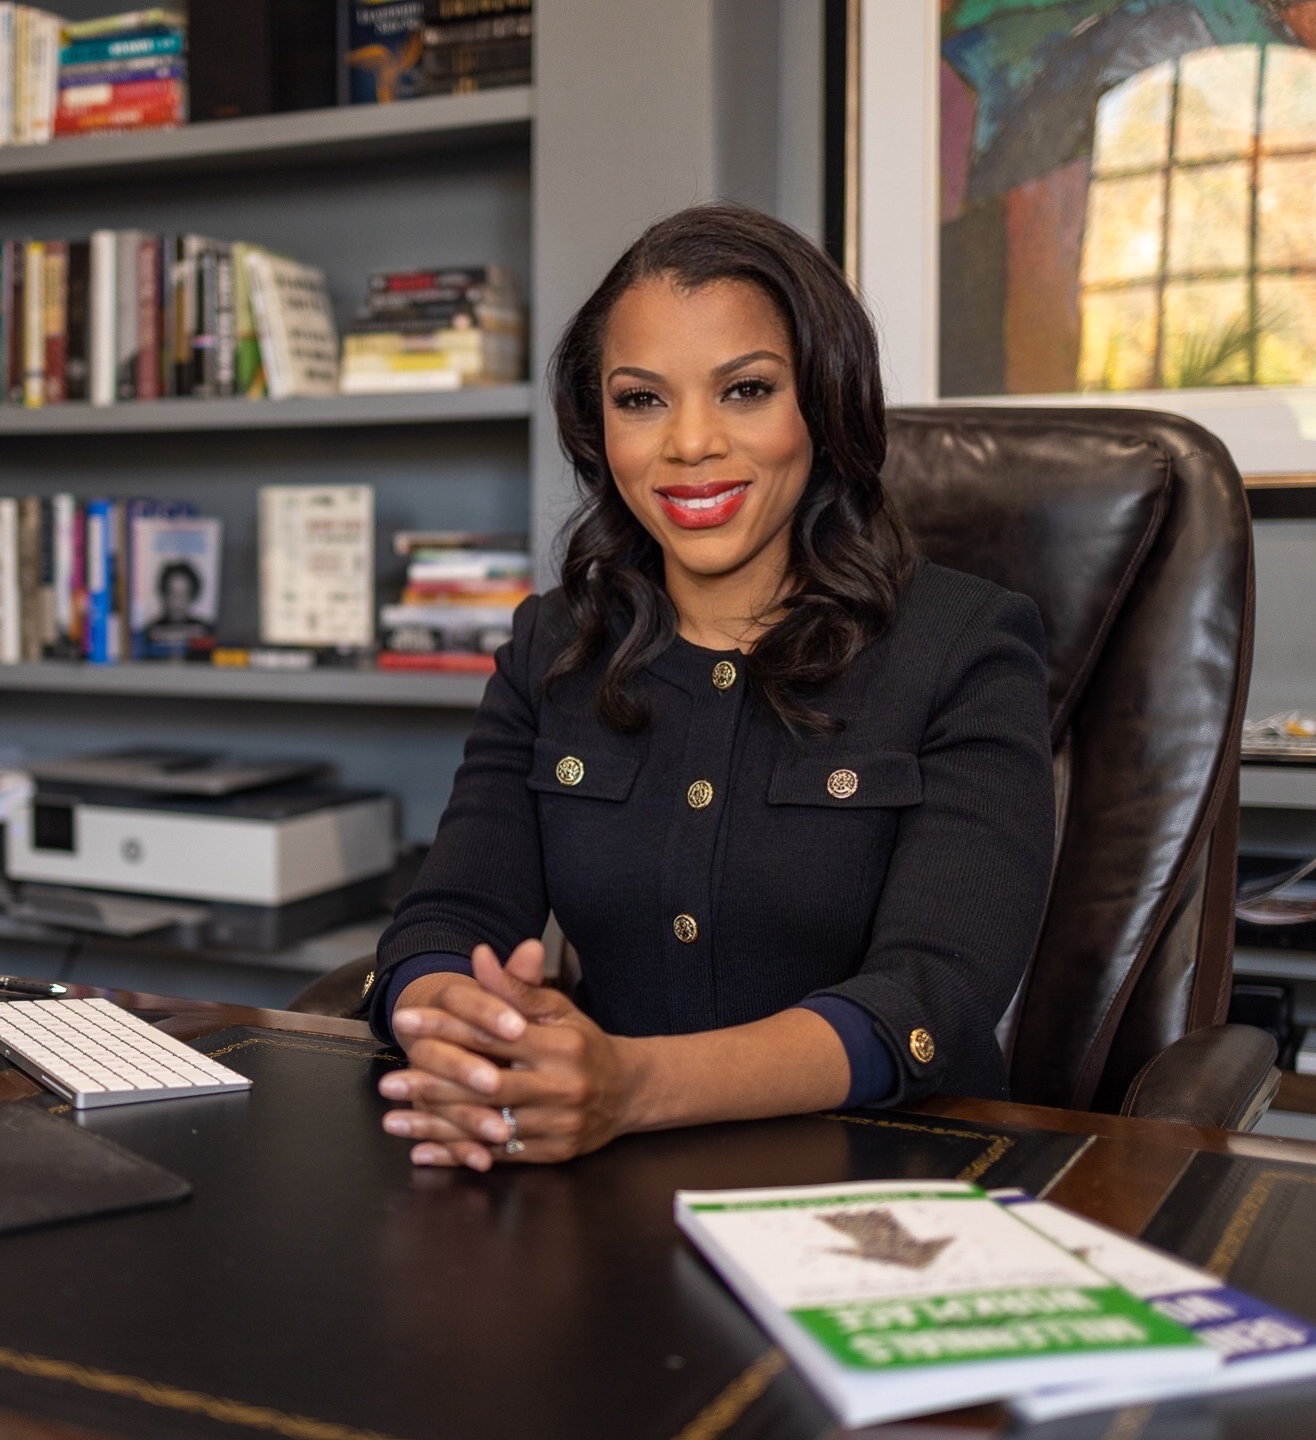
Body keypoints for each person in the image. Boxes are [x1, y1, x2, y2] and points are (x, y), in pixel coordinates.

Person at [365, 204, 1056, 1171]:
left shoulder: (965, 647)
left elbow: (931, 997)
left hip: (896, 1186)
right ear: (596, 422)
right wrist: (462, 1027)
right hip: (596, 1174)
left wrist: (631, 1085)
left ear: (824, 401)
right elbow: (449, 923)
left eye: (746, 390)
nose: (689, 444)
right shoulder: (553, 644)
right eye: (641, 400)